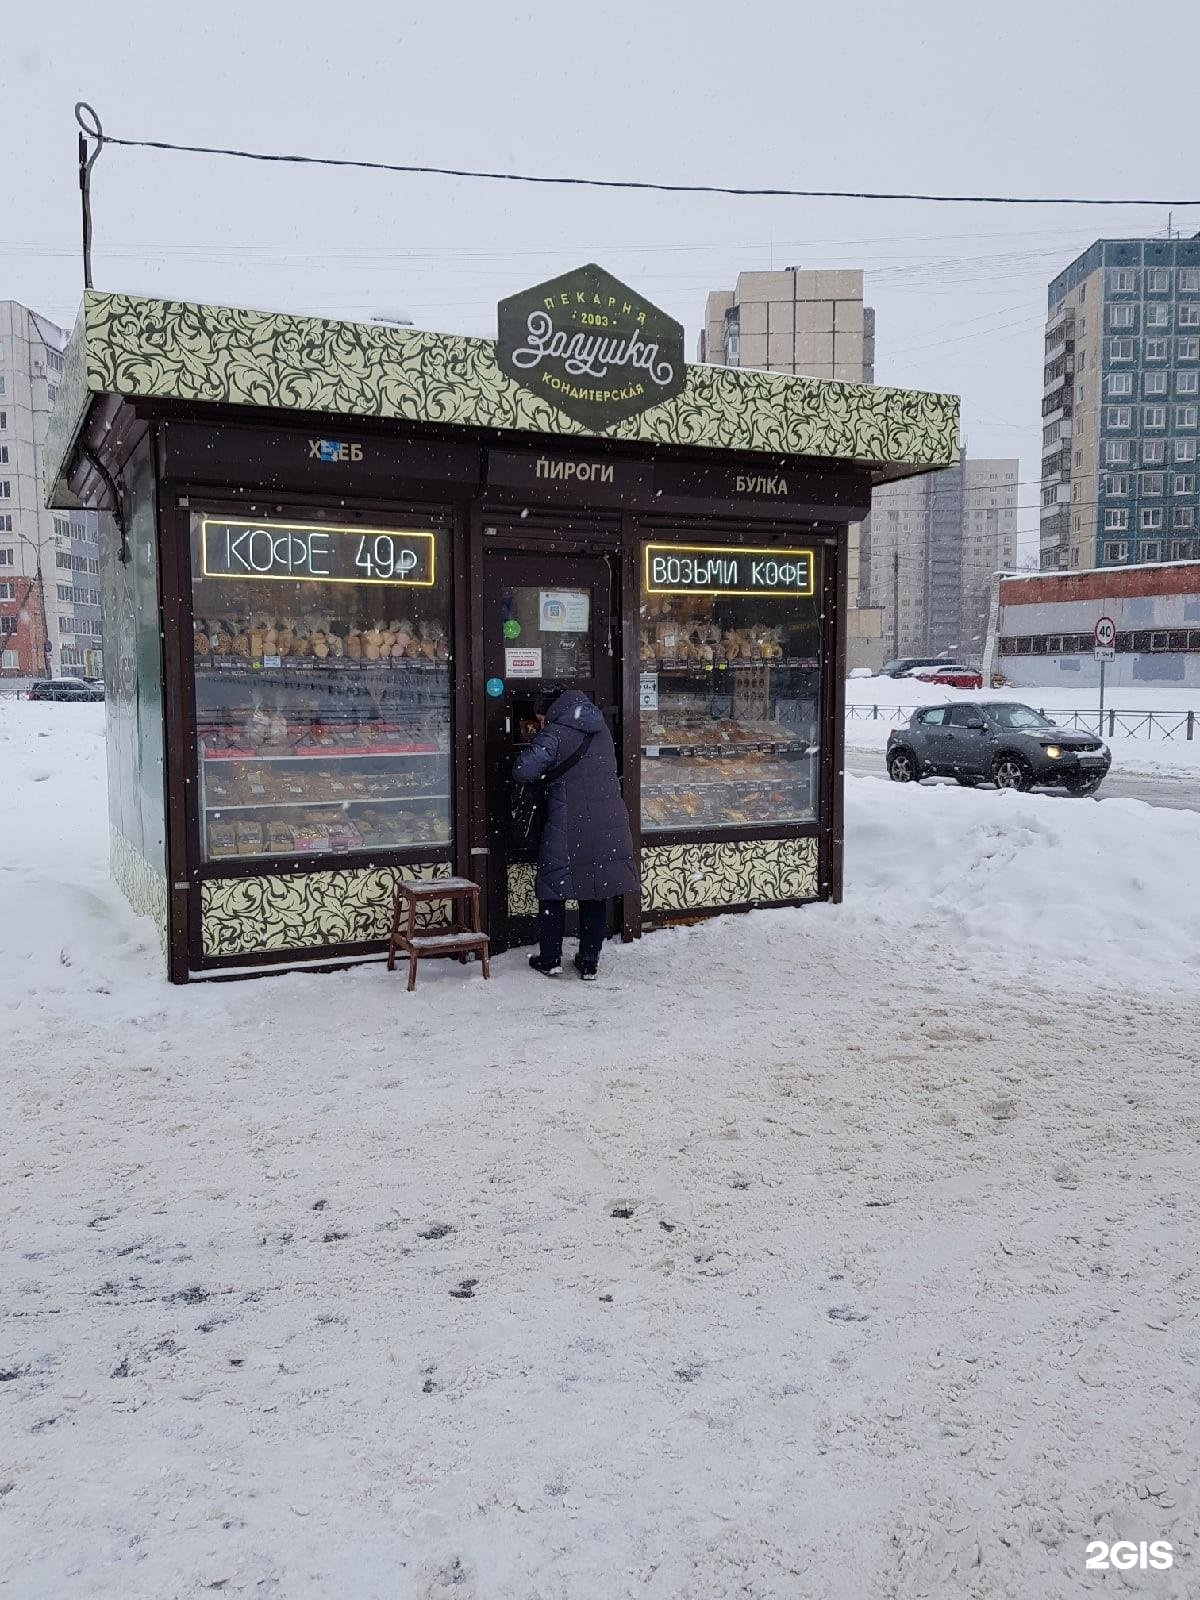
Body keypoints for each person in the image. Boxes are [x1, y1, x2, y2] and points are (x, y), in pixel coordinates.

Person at [512, 687, 637, 980]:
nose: (541, 723)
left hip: (569, 821)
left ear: (550, 713)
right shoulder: (600, 729)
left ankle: (550, 958)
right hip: (607, 821)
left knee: (552, 888)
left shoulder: (554, 733)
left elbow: (523, 770)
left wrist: (534, 743)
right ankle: (589, 960)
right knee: (596, 888)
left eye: (541, 718)